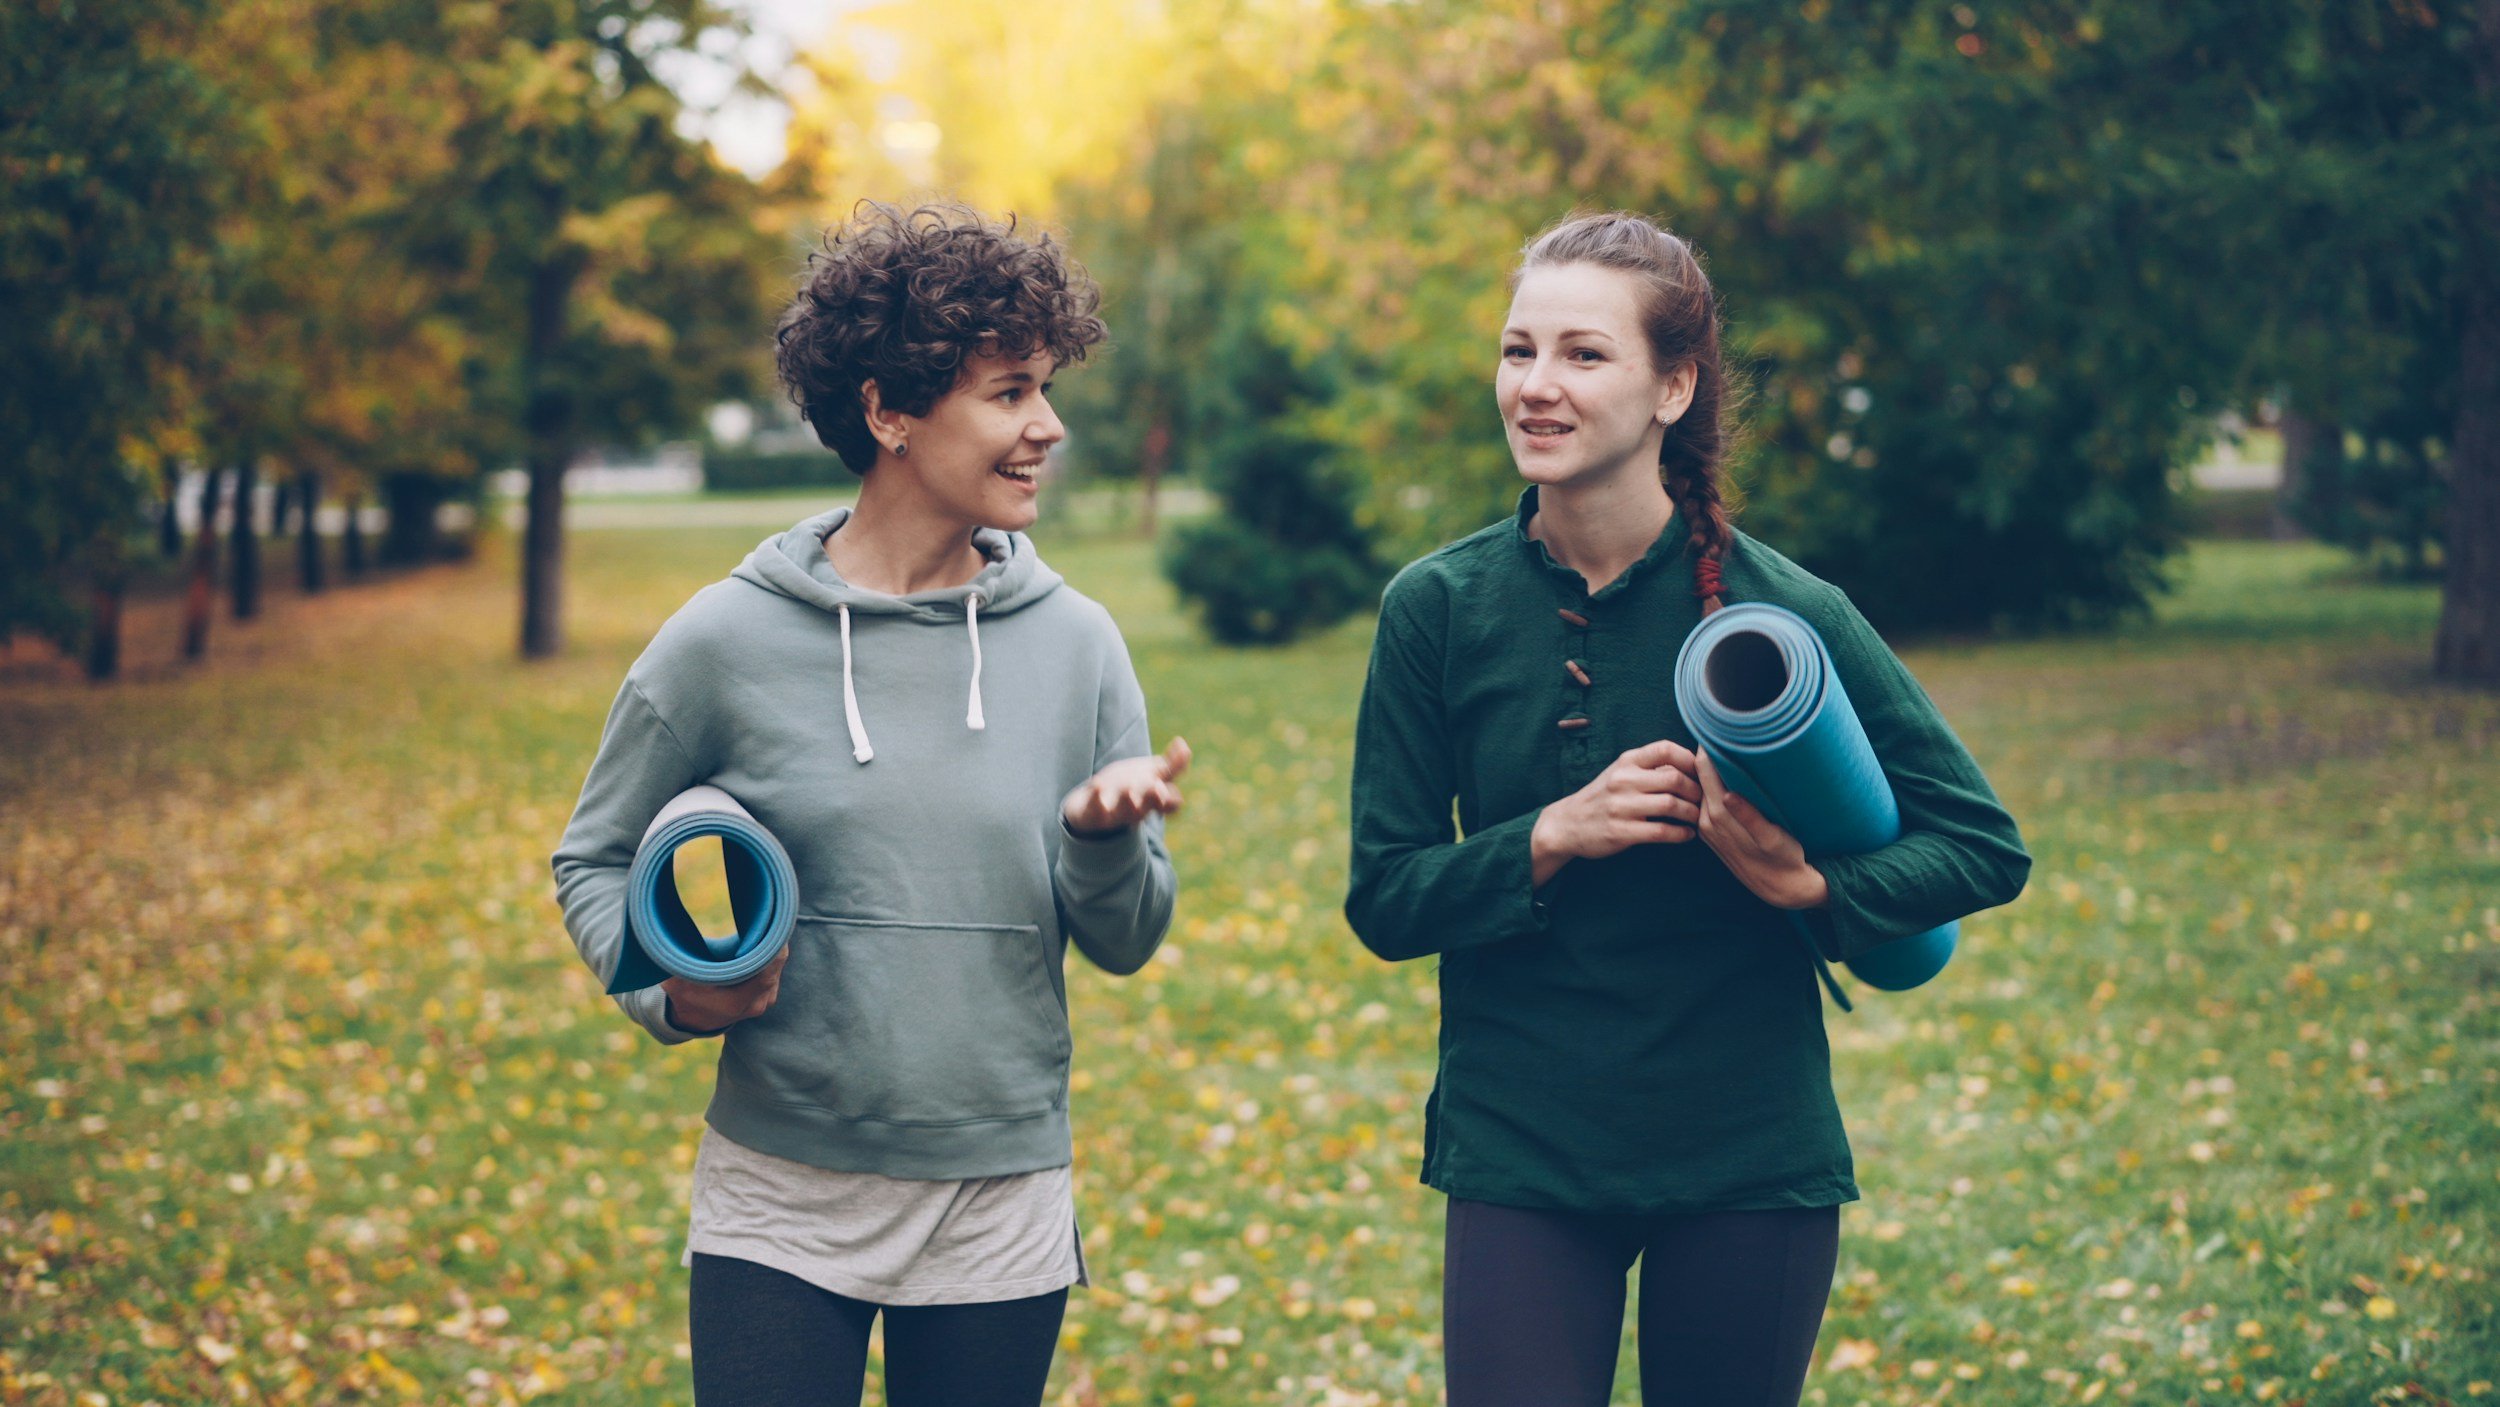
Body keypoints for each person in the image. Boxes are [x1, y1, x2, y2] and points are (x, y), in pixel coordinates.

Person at [1344, 211, 2030, 1406]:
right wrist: (1551, 836)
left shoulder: (1783, 610)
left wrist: (1809, 888)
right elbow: (1388, 897)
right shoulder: (1436, 607)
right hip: (1521, 1148)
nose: (1535, 388)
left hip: (1745, 1155)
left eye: (1581, 355)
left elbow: (1981, 846)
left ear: (1672, 387)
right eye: (1518, 351)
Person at [552, 202, 1186, 1407]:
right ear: (889, 412)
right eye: (1008, 393)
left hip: (997, 1194)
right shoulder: (728, 638)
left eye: (1044, 388)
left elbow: (1126, 939)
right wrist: (669, 991)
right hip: (780, 1196)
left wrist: (1102, 845)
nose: (1046, 426)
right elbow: (594, 856)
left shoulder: (1079, 646)